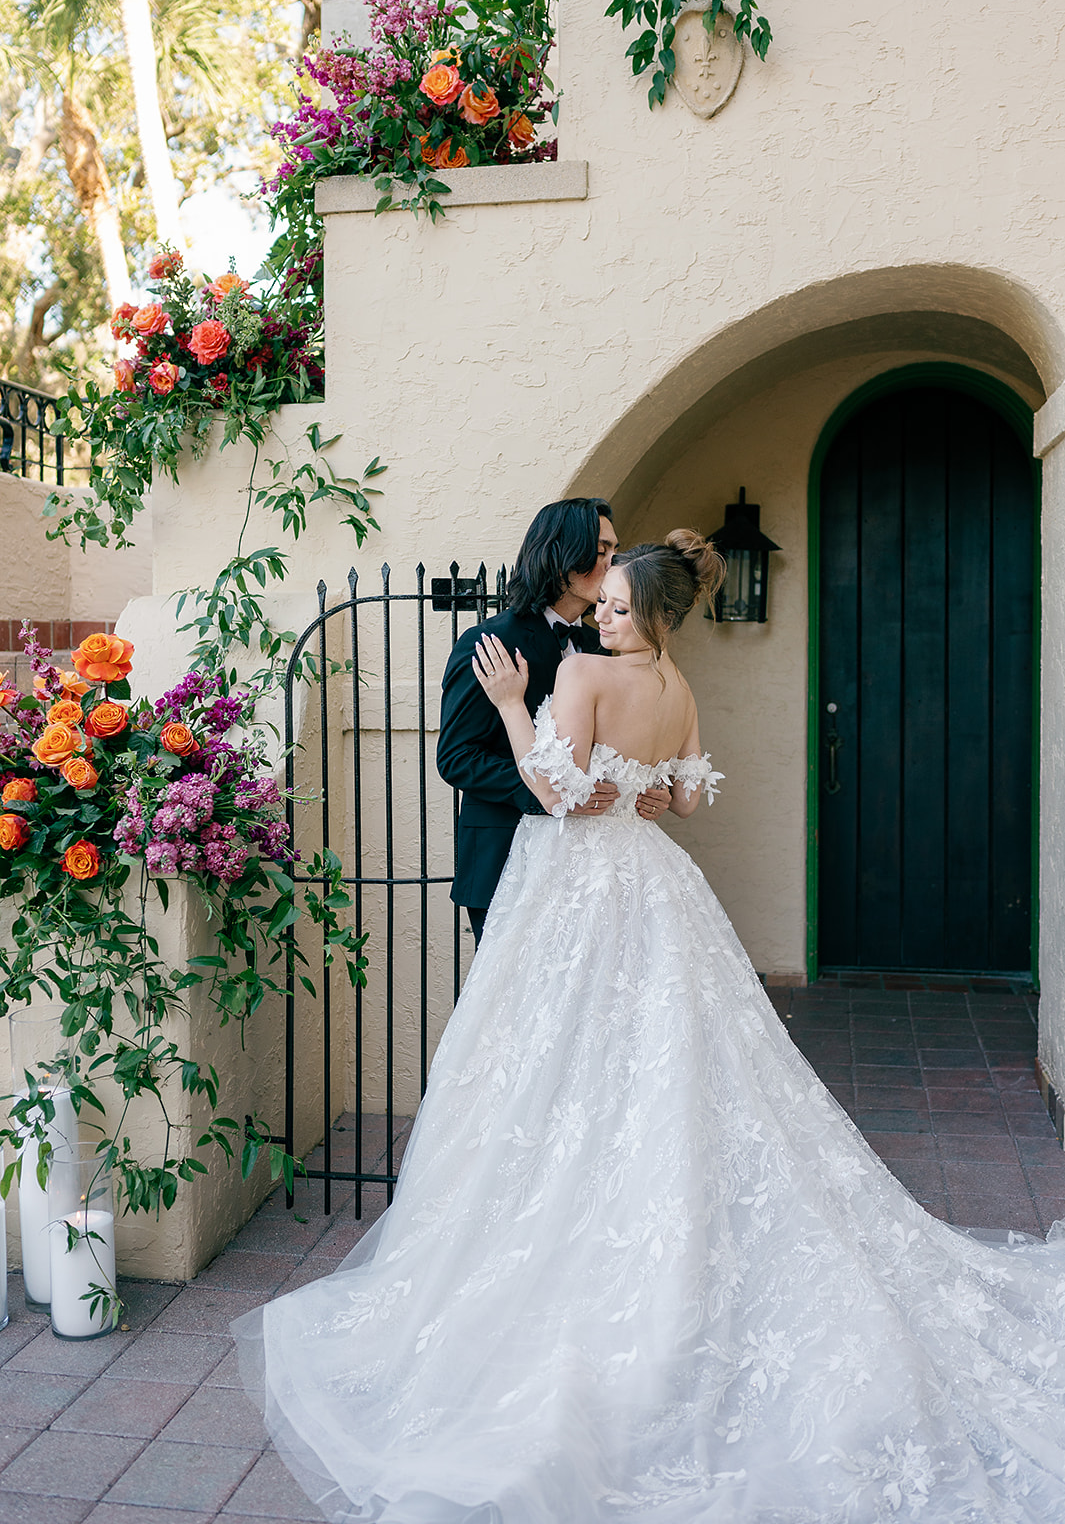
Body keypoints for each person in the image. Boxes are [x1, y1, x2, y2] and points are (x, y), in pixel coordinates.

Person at [237, 531, 1065, 1524]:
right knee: (659, 1064)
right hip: (653, 881)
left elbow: (553, 790)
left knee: (570, 1065)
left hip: (579, 884)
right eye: (606, 602)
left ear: (654, 615)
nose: (604, 614)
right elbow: (682, 793)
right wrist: (635, 783)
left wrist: (510, 706)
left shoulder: (582, 672)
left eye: (622, 603)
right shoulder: (676, 683)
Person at [436, 496, 668, 944]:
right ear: (561, 556)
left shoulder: (600, 646)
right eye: (601, 551)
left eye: (615, 552)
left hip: (587, 869)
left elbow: (614, 746)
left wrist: (645, 786)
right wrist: (554, 791)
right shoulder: (490, 642)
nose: (612, 564)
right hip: (504, 860)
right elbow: (457, 757)